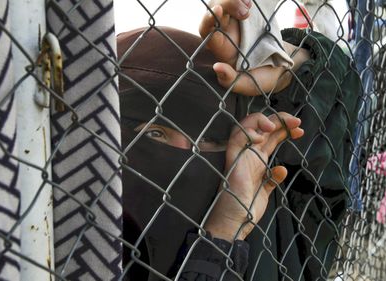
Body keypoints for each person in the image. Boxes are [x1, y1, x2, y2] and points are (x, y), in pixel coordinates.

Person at [118, 27, 304, 280]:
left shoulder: (264, 225)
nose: (187, 156)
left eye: (207, 139)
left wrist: (225, 227)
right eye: (155, 132)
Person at [199, 0, 362, 280]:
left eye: (211, 140)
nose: (186, 147)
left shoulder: (274, 206)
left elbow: (321, 166)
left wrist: (287, 68)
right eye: (150, 135)